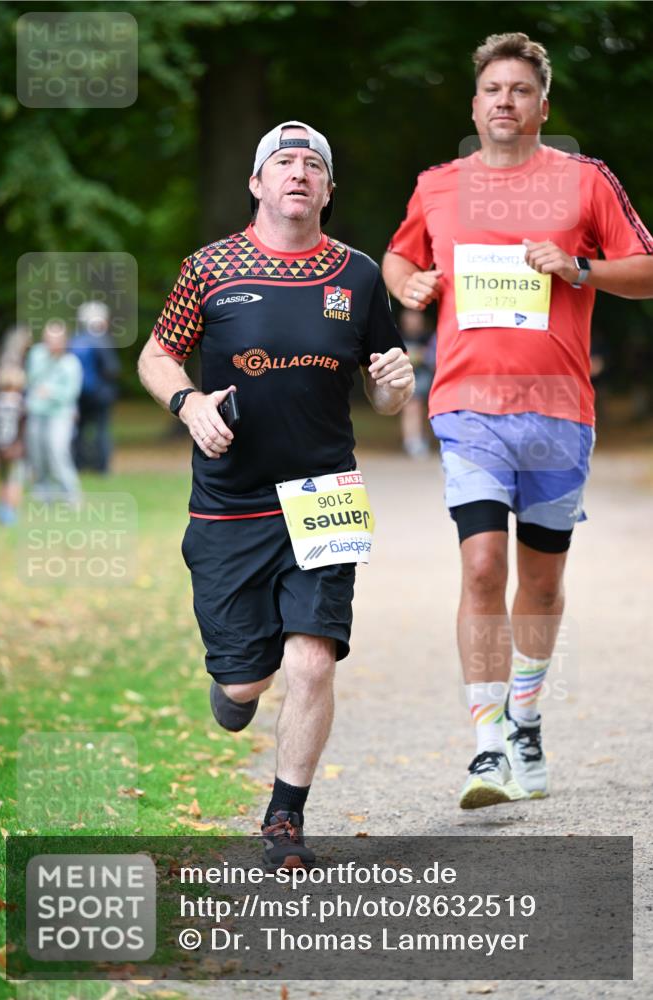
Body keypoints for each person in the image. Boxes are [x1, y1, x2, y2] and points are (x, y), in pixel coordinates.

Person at [383, 32, 653, 809]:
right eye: (492, 90)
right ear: (474, 106)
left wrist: (578, 267)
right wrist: (410, 285)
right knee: (480, 567)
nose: (504, 101)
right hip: (466, 407)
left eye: (520, 90)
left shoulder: (584, 180)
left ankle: (526, 720)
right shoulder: (437, 186)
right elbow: (399, 257)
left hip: (558, 411)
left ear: (542, 106)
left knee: (540, 581)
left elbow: (645, 269)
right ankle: (485, 744)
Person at [138, 121, 413, 866]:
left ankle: (284, 819)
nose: (299, 172)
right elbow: (157, 354)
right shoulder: (210, 268)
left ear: (328, 189)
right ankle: (236, 686)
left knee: (313, 661)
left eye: (312, 164)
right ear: (257, 183)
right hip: (230, 502)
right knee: (246, 681)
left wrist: (396, 386)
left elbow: (385, 390)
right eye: (283, 162)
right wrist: (188, 403)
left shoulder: (357, 275)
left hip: (325, 493)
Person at [26, 320, 83, 502]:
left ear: (64, 341)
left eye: (57, 339)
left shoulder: (71, 363)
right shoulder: (37, 355)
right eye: (49, 339)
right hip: (36, 411)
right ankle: (42, 492)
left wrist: (51, 392)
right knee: (37, 454)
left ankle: (71, 493)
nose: (52, 343)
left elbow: (71, 393)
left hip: (60, 414)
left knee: (57, 452)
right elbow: (31, 379)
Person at [69, 301, 120, 473]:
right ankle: (101, 466)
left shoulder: (75, 339)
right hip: (100, 394)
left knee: (79, 430)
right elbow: (112, 368)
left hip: (78, 393)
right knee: (101, 429)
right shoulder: (102, 339)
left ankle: (79, 463)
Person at [398, 308, 437, 457]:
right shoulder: (398, 336)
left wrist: (423, 356)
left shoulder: (428, 337)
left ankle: (422, 438)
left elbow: (434, 357)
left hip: (427, 377)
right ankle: (412, 441)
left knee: (425, 410)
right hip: (408, 377)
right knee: (411, 407)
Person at [0, 365, 27, 524]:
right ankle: (11, 512)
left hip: (0, 447)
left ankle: (2, 511)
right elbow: (23, 427)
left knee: (3, 479)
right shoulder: (19, 403)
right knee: (16, 480)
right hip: (15, 448)